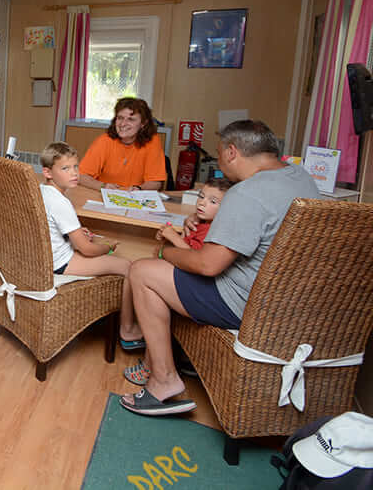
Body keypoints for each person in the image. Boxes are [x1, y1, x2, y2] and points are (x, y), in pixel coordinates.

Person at [119, 120, 320, 416]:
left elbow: (208, 264)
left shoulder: (247, 192)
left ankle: (163, 379)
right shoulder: (300, 178)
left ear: (231, 152)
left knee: (142, 271)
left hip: (244, 303)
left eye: (218, 154)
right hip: (288, 300)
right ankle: (178, 360)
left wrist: (166, 251)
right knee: (162, 271)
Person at [123, 177, 233, 387]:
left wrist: (173, 239)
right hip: (182, 275)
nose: (202, 203)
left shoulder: (213, 231)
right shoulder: (200, 224)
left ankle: (151, 365)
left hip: (195, 282)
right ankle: (153, 361)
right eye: (201, 197)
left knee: (153, 295)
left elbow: (195, 258)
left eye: (212, 201)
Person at [41, 142, 143, 350]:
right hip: (61, 262)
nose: (74, 173)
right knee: (127, 267)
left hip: (49, 254)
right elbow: (86, 250)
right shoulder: (61, 203)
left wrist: (76, 234)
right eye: (65, 168)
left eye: (76, 167)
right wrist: (108, 248)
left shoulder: (43, 192)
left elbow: (52, 226)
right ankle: (127, 329)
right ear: (48, 172)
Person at [78, 97, 167, 191]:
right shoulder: (104, 141)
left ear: (143, 124)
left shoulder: (152, 141)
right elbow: (81, 176)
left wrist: (139, 189)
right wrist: (103, 186)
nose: (123, 124)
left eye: (131, 119)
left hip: (135, 198)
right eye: (120, 118)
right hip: (104, 195)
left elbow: (155, 182)